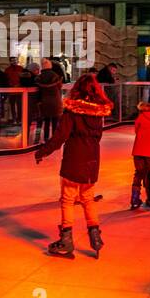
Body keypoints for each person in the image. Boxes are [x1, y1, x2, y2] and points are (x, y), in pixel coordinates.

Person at [34, 73, 114, 259]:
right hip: (92, 161)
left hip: (74, 160)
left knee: (68, 198)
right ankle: (95, 236)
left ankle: (66, 239)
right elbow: (97, 137)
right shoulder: (99, 114)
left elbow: (60, 137)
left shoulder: (72, 112)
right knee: (87, 197)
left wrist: (42, 152)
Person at [33, 57, 64, 143]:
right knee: (55, 121)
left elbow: (38, 91)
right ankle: (54, 138)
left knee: (46, 121)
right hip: (55, 101)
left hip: (44, 101)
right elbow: (60, 87)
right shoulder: (56, 76)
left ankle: (45, 138)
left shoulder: (38, 78)